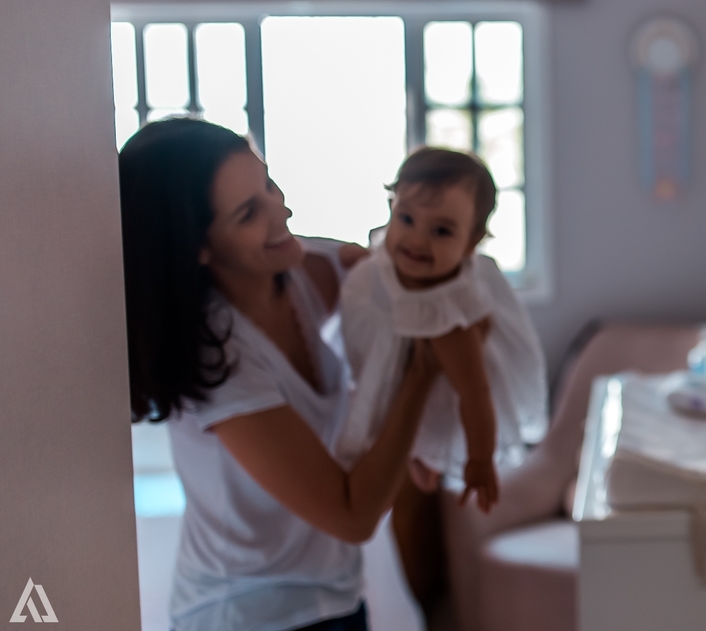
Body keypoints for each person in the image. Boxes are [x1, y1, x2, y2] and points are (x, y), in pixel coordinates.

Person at [120, 118, 482, 631]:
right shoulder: (219, 359)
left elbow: (411, 284)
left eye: (267, 184)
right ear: (197, 247)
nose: (281, 210)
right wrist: (419, 377)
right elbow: (353, 515)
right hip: (247, 614)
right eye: (250, 212)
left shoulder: (302, 268)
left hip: (335, 597)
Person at [335, 147, 547, 614]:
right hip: (389, 372)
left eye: (442, 231)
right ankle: (416, 457)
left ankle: (425, 456)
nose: (416, 239)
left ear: (472, 244)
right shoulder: (378, 266)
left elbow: (475, 394)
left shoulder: (450, 312)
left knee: (417, 430)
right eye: (406, 218)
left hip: (443, 399)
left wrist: (479, 461)